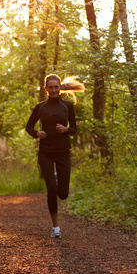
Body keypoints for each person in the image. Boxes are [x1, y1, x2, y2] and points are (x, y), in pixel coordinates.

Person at [25, 73, 84, 238]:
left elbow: (74, 129)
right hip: (45, 153)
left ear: (60, 88)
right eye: (50, 87)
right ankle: (55, 227)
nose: (53, 90)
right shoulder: (40, 107)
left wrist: (66, 130)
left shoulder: (67, 106)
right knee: (51, 188)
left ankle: (57, 176)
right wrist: (37, 133)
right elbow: (29, 127)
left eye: (56, 87)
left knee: (63, 194)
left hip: (63, 152)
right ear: (46, 89)